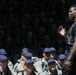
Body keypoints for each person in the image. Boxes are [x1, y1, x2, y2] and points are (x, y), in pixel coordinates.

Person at [58, 4, 76, 75]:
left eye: (71, 11)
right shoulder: (74, 24)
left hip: (73, 55)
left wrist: (69, 59)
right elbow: (72, 41)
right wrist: (65, 35)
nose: (69, 13)